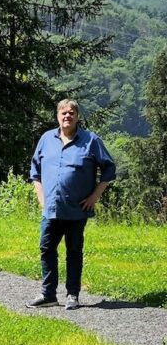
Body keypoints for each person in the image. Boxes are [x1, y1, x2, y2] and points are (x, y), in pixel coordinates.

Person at [27, 99, 116, 310]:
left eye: (72, 113)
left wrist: (95, 196)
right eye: (63, 113)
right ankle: (48, 294)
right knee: (46, 249)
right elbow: (35, 172)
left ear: (77, 116)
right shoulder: (46, 139)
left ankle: (72, 295)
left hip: (77, 209)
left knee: (73, 251)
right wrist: (41, 199)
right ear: (58, 116)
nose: (67, 116)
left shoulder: (91, 140)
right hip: (51, 210)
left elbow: (109, 169)